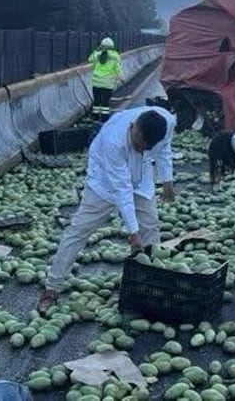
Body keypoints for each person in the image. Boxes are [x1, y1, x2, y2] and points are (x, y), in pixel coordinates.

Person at [38, 106, 176, 313]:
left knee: (151, 226)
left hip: (141, 177)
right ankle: (52, 288)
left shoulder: (167, 123)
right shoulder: (114, 141)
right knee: (79, 230)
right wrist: (133, 232)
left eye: (146, 149)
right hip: (105, 180)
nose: (140, 151)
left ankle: (148, 285)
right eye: (138, 146)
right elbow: (122, 189)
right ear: (133, 128)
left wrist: (167, 180)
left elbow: (164, 150)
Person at [88, 37, 122, 113]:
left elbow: (90, 59)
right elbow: (118, 69)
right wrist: (122, 78)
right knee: (105, 102)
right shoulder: (116, 56)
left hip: (96, 83)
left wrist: (97, 50)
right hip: (108, 84)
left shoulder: (97, 54)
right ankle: (104, 118)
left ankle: (95, 116)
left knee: (97, 101)